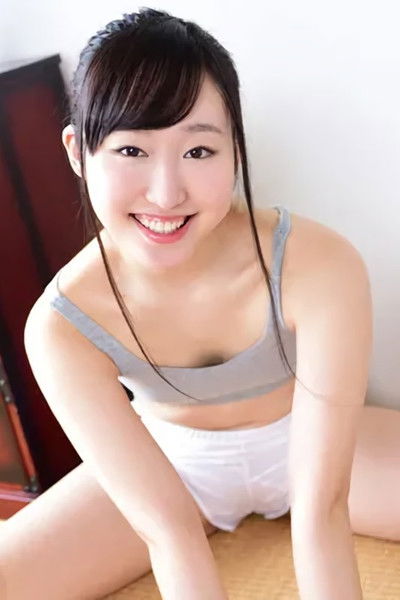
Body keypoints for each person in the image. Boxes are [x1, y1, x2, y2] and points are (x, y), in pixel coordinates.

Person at [1, 7, 399, 600]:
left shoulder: (318, 263)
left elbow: (324, 508)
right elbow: (168, 534)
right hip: (174, 463)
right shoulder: (62, 325)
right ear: (78, 152)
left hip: (315, 442)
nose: (166, 194)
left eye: (198, 152)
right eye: (131, 151)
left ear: (234, 149)